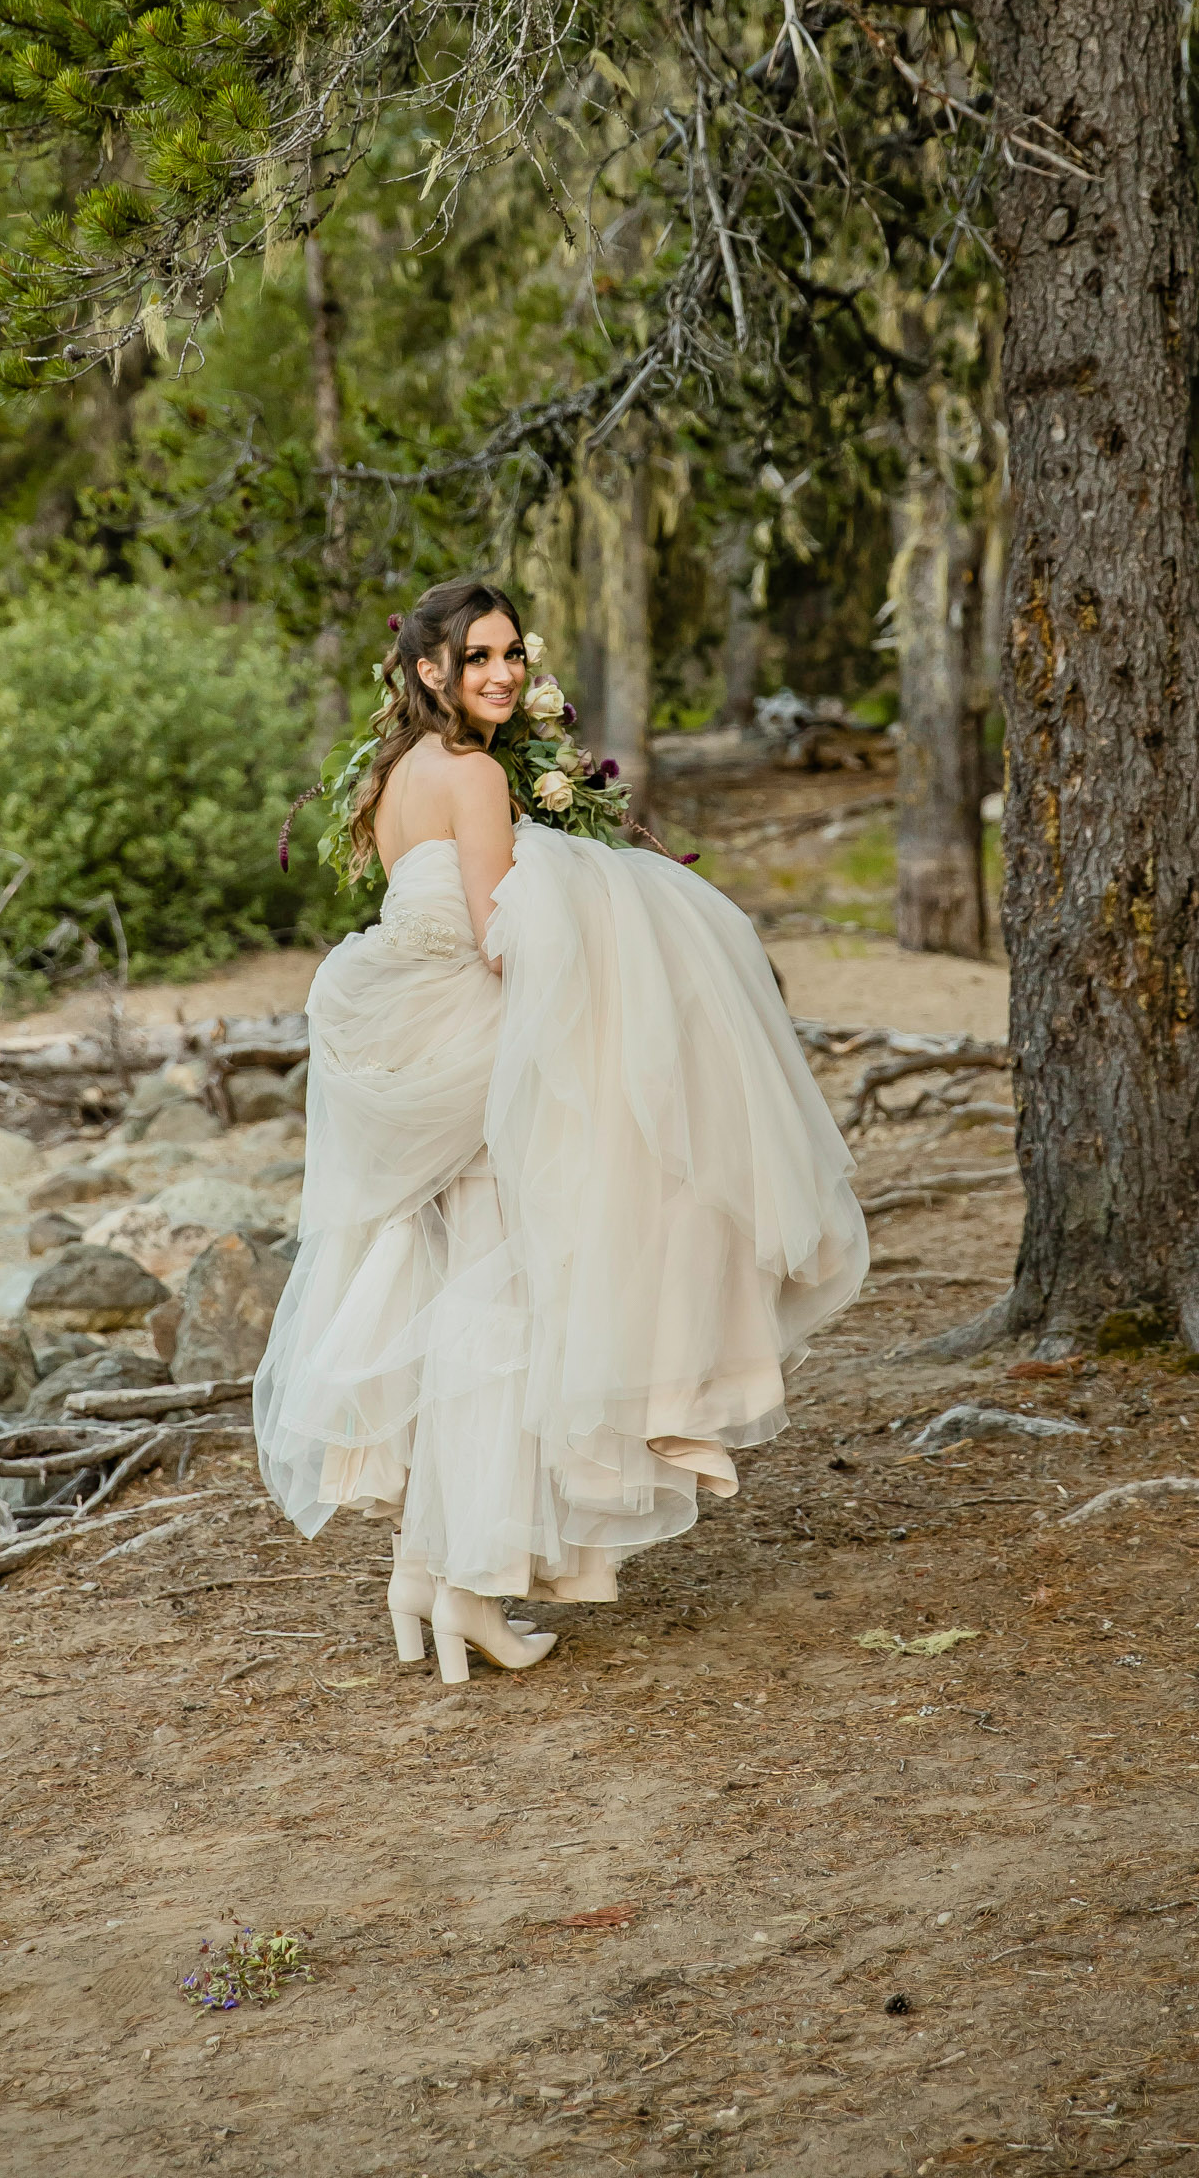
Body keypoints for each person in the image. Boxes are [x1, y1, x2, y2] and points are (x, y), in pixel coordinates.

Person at [253, 577, 868, 1686]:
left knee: (454, 1303)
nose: (498, 675)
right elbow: (501, 941)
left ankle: (420, 1579)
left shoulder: (393, 772)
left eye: (508, 657)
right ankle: (462, 1589)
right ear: (429, 670)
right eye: (475, 658)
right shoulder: (478, 774)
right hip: (479, 1053)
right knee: (506, 1307)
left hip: (412, 1052)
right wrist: (607, 897)